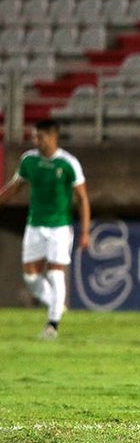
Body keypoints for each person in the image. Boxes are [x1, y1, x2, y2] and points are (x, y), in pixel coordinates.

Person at [0, 118, 91, 339]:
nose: (36, 140)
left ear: (52, 137)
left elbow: (83, 199)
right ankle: (56, 303)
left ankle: (52, 324)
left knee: (55, 271)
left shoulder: (69, 163)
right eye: (35, 136)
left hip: (59, 227)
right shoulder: (28, 160)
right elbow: (14, 188)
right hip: (35, 225)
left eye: (40, 136)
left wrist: (86, 231)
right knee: (31, 277)